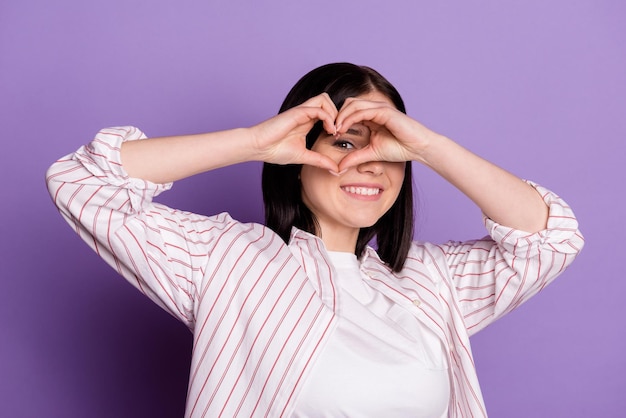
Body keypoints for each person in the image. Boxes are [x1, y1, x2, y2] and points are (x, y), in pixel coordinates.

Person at [46, 62, 584, 417]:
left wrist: (432, 147)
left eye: (387, 149)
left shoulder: (431, 282)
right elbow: (83, 183)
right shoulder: (225, 259)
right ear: (297, 157)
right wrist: (251, 141)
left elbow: (549, 240)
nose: (366, 164)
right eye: (344, 142)